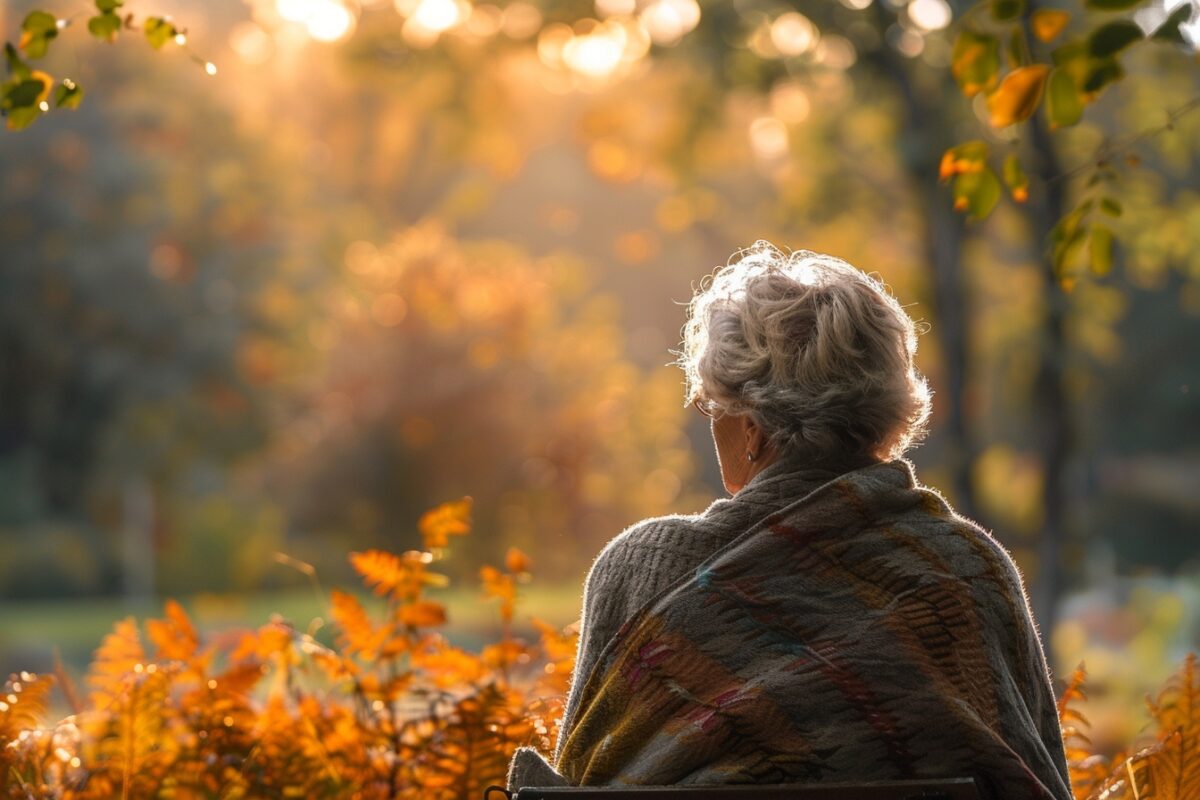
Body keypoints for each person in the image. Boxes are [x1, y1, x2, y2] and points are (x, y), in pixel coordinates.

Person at [506, 242, 1072, 800]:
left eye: (712, 405)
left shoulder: (642, 570)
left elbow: (582, 783)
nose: (712, 423)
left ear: (753, 427)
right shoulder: (965, 570)